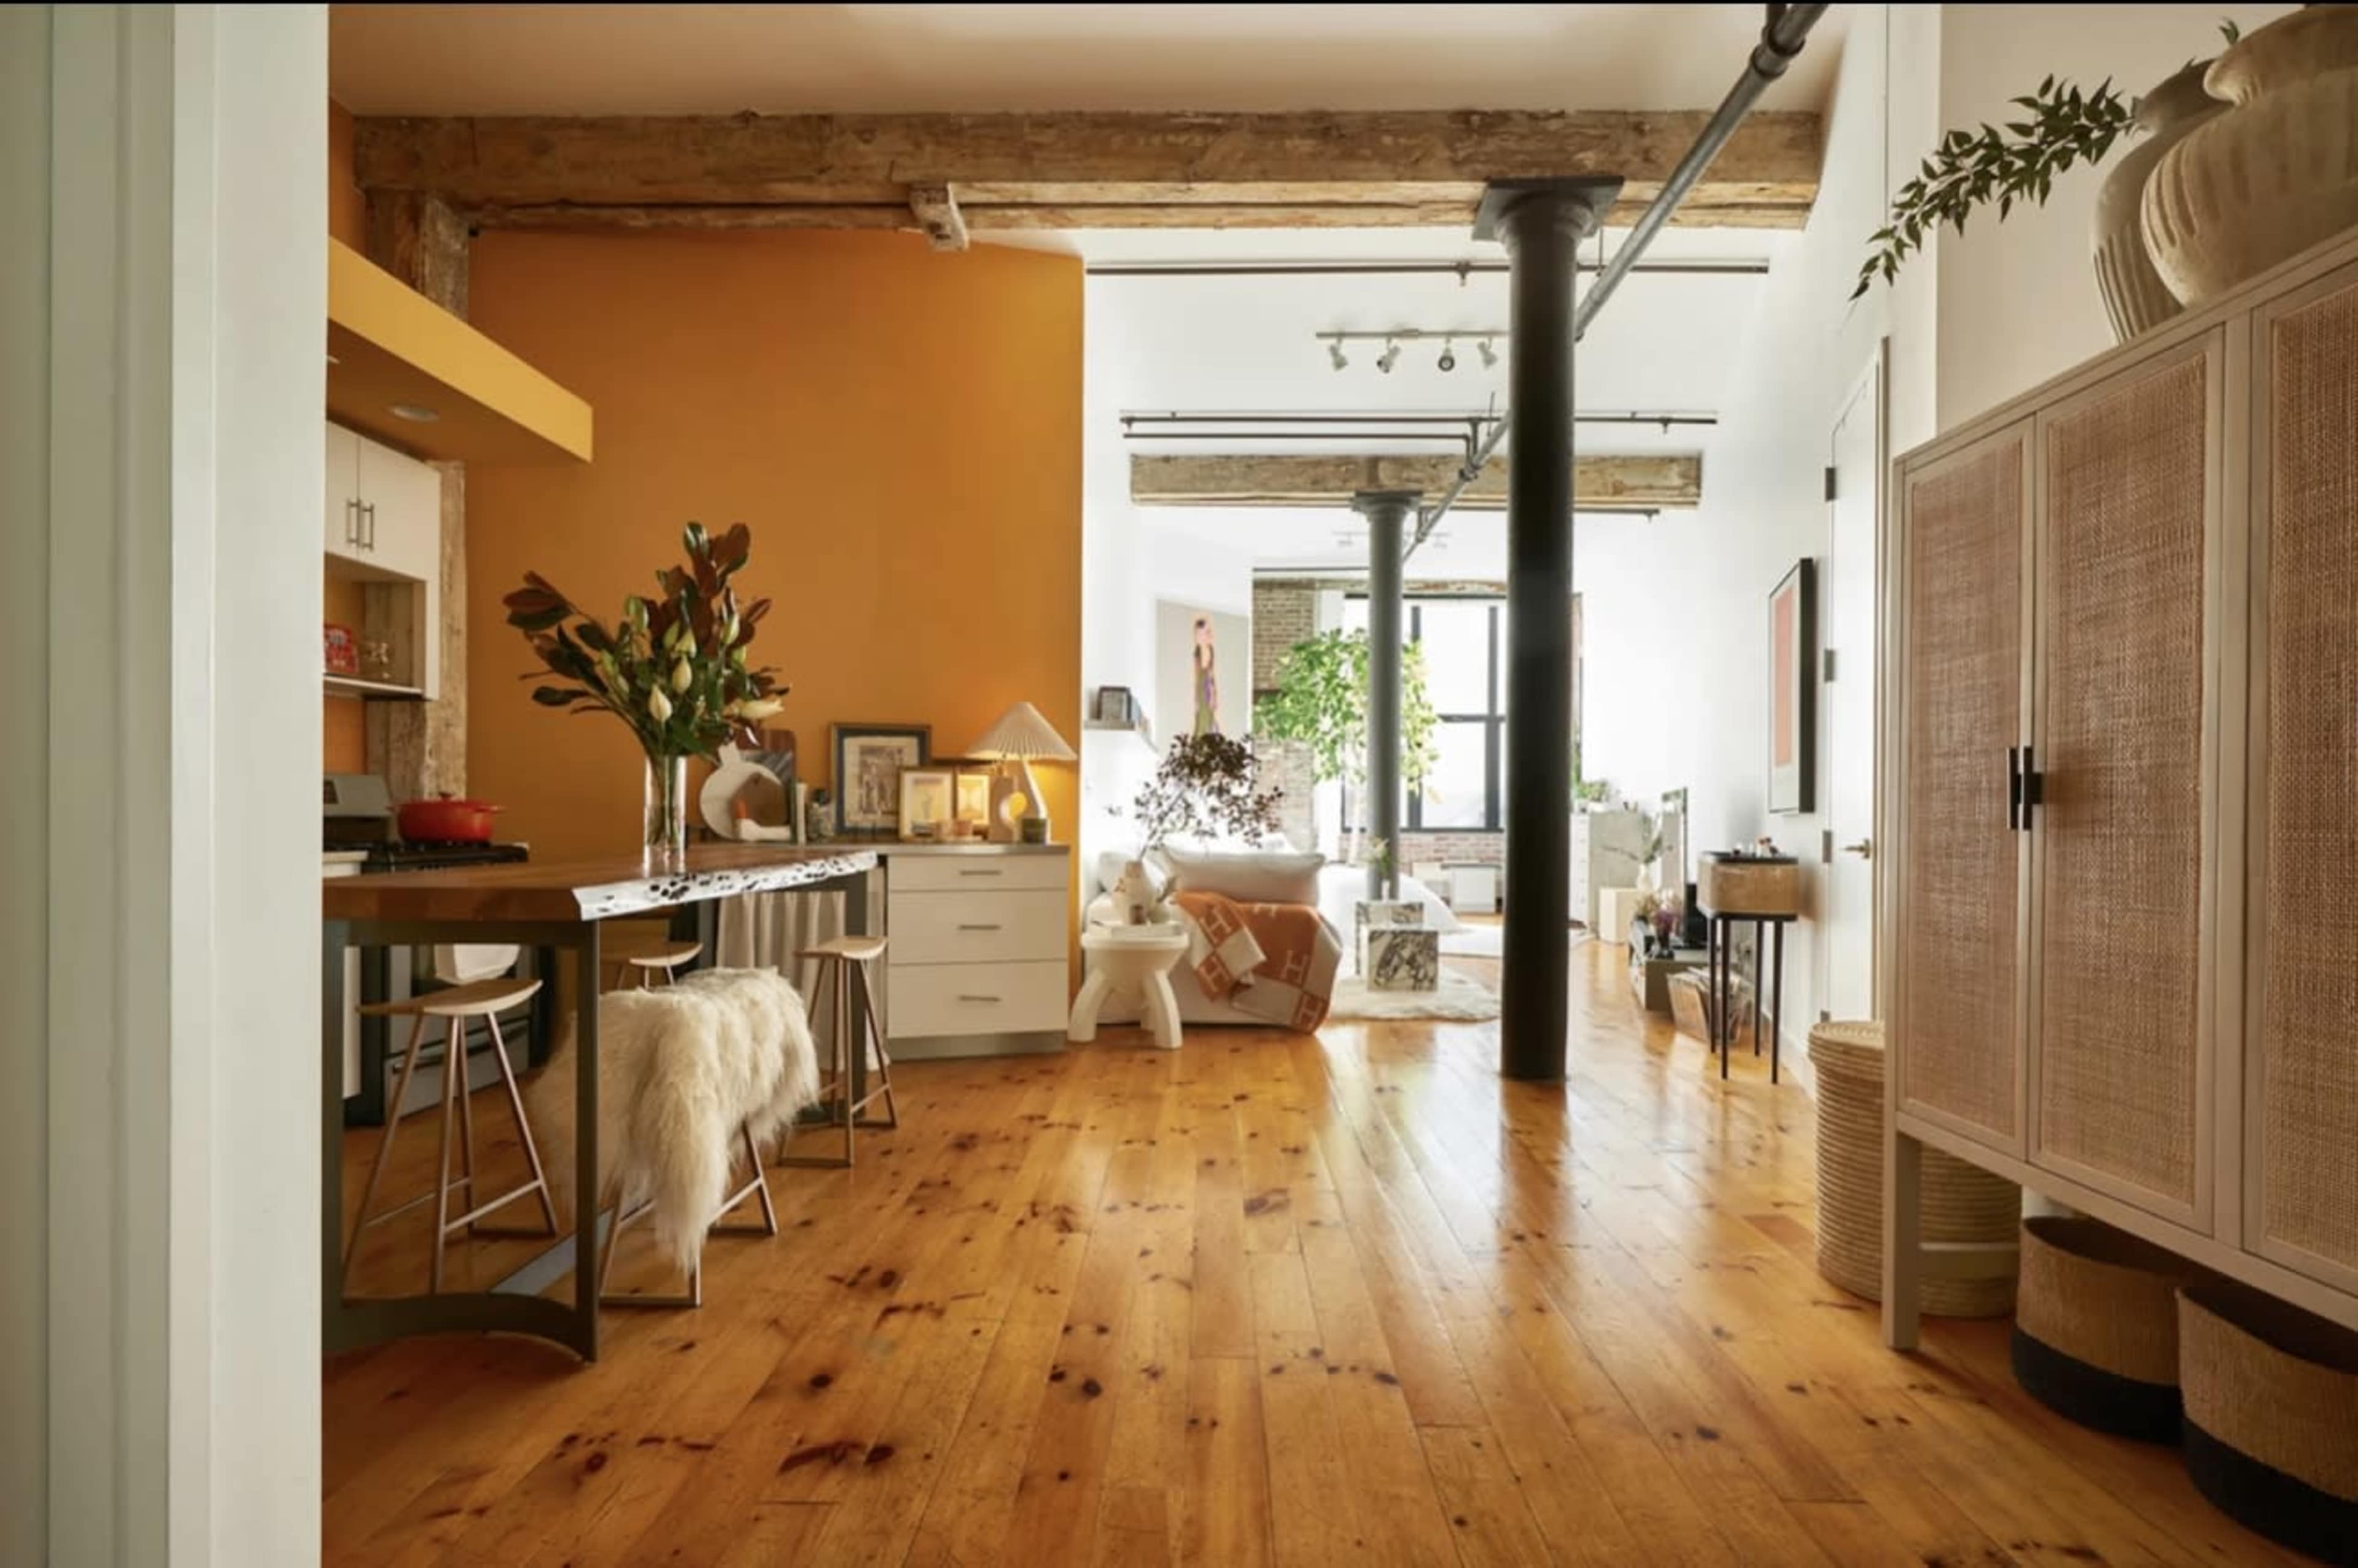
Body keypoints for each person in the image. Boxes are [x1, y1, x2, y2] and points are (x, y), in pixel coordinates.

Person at [1191, 615, 1221, 736]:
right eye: (1197, 634)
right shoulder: (1196, 652)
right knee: (1200, 718)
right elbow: (1195, 676)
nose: (1200, 637)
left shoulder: (1210, 650)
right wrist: (1195, 698)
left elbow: (1211, 675)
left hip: (1207, 688)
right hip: (1200, 687)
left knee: (1207, 718)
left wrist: (1214, 695)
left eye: (1203, 633)